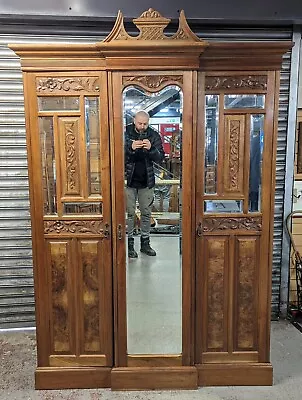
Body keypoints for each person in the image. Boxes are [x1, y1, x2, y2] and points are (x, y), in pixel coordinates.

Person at [125, 110, 165, 258]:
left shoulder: (154, 135)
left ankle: (145, 244)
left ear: (148, 122)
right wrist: (130, 147)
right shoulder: (125, 132)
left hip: (147, 181)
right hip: (128, 180)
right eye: (140, 123)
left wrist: (151, 149)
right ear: (134, 120)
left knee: (146, 214)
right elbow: (115, 154)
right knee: (129, 214)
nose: (142, 126)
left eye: (145, 124)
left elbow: (161, 158)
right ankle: (129, 245)